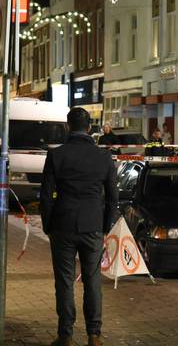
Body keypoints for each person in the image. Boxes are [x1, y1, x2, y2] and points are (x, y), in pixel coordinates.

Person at [40, 107, 118, 346]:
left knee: (64, 281)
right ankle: (94, 334)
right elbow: (113, 197)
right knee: (93, 280)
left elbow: (46, 195)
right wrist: (105, 227)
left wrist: (48, 224)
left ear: (68, 125)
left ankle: (66, 335)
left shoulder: (57, 155)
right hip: (92, 226)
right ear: (90, 127)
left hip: (63, 225)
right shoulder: (104, 157)